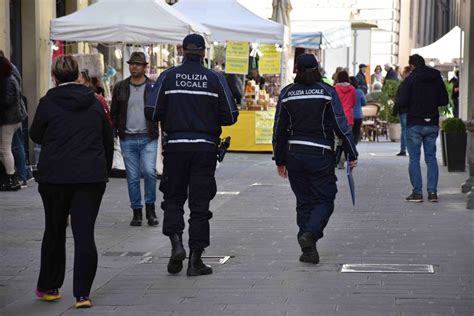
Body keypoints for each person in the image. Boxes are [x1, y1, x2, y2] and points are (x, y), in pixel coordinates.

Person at [145, 34, 238, 276]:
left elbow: (152, 111)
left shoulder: (168, 77)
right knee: (200, 204)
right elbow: (230, 115)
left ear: (182, 51)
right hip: (205, 148)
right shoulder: (214, 78)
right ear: (204, 53)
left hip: (175, 147)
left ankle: (177, 244)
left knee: (173, 199)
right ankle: (195, 260)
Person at [29, 55, 113, 308]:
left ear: (55, 77)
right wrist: (103, 170)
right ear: (79, 75)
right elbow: (107, 138)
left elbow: (35, 134)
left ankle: (49, 287)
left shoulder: (47, 102)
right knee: (84, 233)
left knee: (54, 230)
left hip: (54, 177)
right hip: (90, 177)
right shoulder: (95, 102)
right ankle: (82, 294)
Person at [272, 53, 358, 264]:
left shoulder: (287, 94)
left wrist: (279, 159)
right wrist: (351, 153)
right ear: (317, 69)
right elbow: (340, 125)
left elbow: (279, 129)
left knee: (303, 201)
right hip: (320, 154)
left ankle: (308, 250)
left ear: (297, 71)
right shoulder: (327, 92)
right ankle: (310, 235)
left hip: (294, 154)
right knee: (325, 199)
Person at [111, 52, 159, 227]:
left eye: (138, 64)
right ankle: (137, 212)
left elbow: (160, 112)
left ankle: (151, 209)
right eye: (132, 64)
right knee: (132, 177)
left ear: (145, 66)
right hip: (127, 138)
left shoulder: (153, 87)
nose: (134, 67)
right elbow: (114, 113)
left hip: (148, 137)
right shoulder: (120, 87)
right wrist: (114, 133)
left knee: (149, 172)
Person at [397, 54, 448, 203]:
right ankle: (432, 193)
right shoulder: (436, 76)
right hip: (431, 121)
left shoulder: (411, 79)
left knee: (414, 159)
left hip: (415, 122)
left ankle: (417, 193)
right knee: (431, 158)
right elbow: (444, 99)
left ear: (412, 65)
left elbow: (402, 100)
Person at [0, 56, 26, 191]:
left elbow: (7, 100)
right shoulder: (10, 78)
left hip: (9, 120)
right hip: (13, 118)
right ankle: (13, 176)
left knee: (5, 149)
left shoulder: (7, 81)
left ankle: (12, 177)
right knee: (7, 148)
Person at [334, 70, 356, 169]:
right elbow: (353, 103)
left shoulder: (335, 89)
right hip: (349, 117)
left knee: (336, 139)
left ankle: (334, 158)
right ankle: (342, 161)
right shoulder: (352, 89)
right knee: (346, 139)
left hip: (337, 116)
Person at [392, 66, 412, 156]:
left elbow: (398, 99)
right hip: (412, 110)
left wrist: (396, 109)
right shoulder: (415, 84)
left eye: (404, 73)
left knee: (405, 130)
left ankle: (403, 149)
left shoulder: (403, 85)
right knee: (411, 130)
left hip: (404, 110)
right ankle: (410, 149)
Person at [349, 76, 367, 144]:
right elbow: (364, 103)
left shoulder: (347, 92)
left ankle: (350, 145)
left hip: (348, 115)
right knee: (356, 132)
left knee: (349, 132)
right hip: (358, 115)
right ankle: (354, 145)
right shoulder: (359, 92)